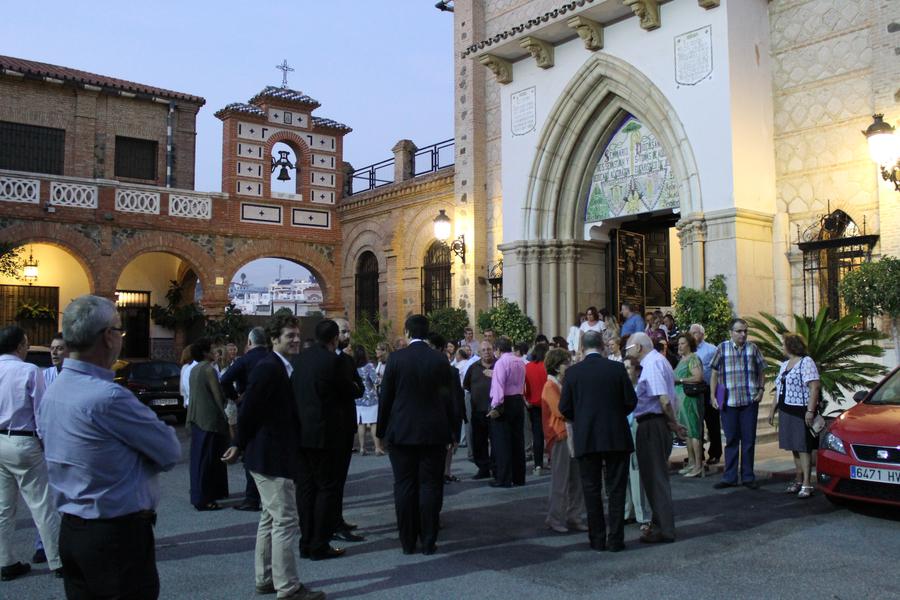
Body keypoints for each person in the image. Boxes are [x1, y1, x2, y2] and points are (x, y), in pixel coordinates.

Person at [38, 296, 180, 598]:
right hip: (115, 536)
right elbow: (169, 451)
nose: (121, 338)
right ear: (107, 337)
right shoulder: (109, 397)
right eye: (120, 331)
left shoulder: (54, 390)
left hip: (74, 530)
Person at [222, 314, 325, 600]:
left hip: (270, 453)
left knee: (270, 518)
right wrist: (238, 443)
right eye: (288, 336)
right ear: (274, 339)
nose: (295, 340)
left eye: (296, 335)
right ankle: (288, 588)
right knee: (285, 520)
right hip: (270, 455)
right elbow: (249, 409)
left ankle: (266, 578)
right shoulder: (269, 368)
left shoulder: (278, 365)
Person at [376, 314, 455, 555]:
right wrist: (452, 431)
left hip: (401, 431)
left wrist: (381, 431)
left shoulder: (396, 359)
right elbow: (448, 398)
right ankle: (429, 541)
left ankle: (407, 541)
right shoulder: (440, 360)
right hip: (434, 431)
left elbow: (386, 397)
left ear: (408, 332)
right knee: (431, 485)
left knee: (404, 485)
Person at [559, 331, 636, 552]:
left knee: (591, 489)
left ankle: (597, 539)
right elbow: (630, 400)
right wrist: (614, 414)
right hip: (615, 435)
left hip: (587, 436)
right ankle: (616, 539)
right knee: (616, 489)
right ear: (602, 346)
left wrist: (582, 418)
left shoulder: (573, 373)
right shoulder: (616, 368)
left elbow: (564, 408)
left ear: (582, 347)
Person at [0, 325, 61, 581]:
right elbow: (41, 414)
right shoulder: (29, 371)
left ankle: (5, 561)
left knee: (3, 508)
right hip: (24, 442)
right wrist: (47, 444)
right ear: (20, 346)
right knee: (42, 505)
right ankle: (57, 561)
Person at [292, 320, 355, 561]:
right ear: (334, 338)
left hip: (302, 434)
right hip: (326, 434)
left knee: (306, 489)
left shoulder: (301, 359)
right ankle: (319, 543)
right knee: (326, 488)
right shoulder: (335, 361)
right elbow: (348, 391)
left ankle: (306, 540)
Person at [626, 332, 686, 544]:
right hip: (656, 423)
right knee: (653, 478)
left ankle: (664, 528)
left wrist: (673, 423)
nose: (628, 352)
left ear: (639, 347)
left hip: (652, 423)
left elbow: (664, 400)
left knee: (656, 478)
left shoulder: (651, 364)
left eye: (629, 348)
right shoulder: (659, 362)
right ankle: (659, 524)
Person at [710, 318, 767, 490]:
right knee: (731, 440)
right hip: (728, 402)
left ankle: (748, 477)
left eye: (745, 331)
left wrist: (761, 390)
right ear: (731, 332)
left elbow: (762, 369)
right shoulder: (722, 348)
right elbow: (714, 373)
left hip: (749, 401)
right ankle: (730, 477)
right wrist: (714, 397)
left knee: (749, 441)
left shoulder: (753, 349)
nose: (743, 334)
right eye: (739, 331)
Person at [220, 326, 269, 511]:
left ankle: (251, 497)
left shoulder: (245, 360)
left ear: (249, 342)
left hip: (247, 408)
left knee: (250, 451)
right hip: (270, 409)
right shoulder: (272, 358)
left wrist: (235, 396)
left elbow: (224, 380)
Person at [767, 333, 821, 498]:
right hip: (786, 410)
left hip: (800, 410)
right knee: (793, 447)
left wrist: (810, 411)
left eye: (783, 344)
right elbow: (779, 389)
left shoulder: (806, 362)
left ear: (791, 345)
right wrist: (772, 410)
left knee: (803, 447)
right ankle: (798, 479)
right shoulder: (784, 365)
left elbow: (814, 387)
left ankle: (807, 483)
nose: (782, 347)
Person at [541, 348, 587, 534]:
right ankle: (555, 518)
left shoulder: (563, 384)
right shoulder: (550, 386)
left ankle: (574, 516)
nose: (569, 365)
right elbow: (562, 411)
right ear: (556, 366)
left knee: (577, 480)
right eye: (565, 362)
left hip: (572, 435)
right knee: (560, 481)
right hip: (560, 436)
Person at [330, 317, 364, 544]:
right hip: (330, 428)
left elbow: (359, 388)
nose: (348, 336)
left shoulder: (347, 360)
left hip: (344, 427)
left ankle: (337, 519)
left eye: (348, 331)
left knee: (340, 479)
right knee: (330, 481)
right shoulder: (325, 361)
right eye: (343, 331)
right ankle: (331, 524)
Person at [187, 337, 229, 511]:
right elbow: (218, 396)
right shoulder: (209, 370)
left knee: (198, 460)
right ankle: (205, 498)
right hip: (209, 420)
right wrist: (225, 412)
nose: (215, 352)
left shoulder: (194, 369)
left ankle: (199, 494)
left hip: (196, 418)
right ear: (205, 352)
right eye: (212, 349)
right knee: (208, 461)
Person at [488, 336, 527, 488]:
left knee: (502, 442)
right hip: (518, 399)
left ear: (498, 349)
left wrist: (495, 406)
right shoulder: (520, 361)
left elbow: (498, 386)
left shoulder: (501, 362)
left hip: (505, 401)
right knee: (518, 440)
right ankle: (519, 476)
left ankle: (503, 478)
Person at [623, 357, 651, 535]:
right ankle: (627, 511)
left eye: (628, 368)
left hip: (636, 430)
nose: (626, 372)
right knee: (625, 474)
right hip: (623, 432)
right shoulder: (622, 389)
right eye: (623, 368)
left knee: (636, 473)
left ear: (637, 370)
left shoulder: (642, 388)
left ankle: (644, 516)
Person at [673, 334, 705, 478]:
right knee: (687, 433)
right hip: (682, 401)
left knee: (694, 433)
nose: (679, 346)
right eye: (679, 343)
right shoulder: (683, 359)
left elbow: (698, 377)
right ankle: (691, 462)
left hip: (691, 401)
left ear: (689, 344)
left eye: (682, 343)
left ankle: (699, 466)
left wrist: (679, 380)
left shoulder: (693, 358)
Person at [690, 323, 721, 465]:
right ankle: (698, 454)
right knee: (697, 424)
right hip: (692, 391)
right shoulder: (688, 350)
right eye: (691, 332)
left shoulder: (711, 349)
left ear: (702, 334)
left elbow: (718, 373)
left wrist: (718, 396)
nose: (692, 335)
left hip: (709, 390)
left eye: (695, 332)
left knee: (712, 423)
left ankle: (715, 453)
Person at [463, 341, 495, 480]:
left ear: (493, 350)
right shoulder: (473, 367)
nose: (487, 352)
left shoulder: (499, 365)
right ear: (479, 352)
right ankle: (483, 468)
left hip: (495, 411)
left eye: (489, 349)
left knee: (496, 441)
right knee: (479, 441)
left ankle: (496, 467)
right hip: (478, 410)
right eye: (484, 350)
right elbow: (467, 385)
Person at [524, 343, 549, 475]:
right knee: (551, 433)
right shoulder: (547, 367)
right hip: (548, 404)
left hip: (533, 405)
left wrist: (526, 399)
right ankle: (551, 460)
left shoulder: (527, 367)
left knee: (537, 435)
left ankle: (538, 465)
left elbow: (523, 386)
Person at [354, 346, 381, 456]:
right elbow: (376, 380)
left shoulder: (353, 367)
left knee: (361, 424)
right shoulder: (369, 366)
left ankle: (362, 448)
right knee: (374, 423)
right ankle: (377, 448)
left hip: (359, 399)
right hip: (371, 398)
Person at [179, 344, 196, 409]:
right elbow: (183, 387)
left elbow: (182, 388)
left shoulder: (185, 367)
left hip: (188, 401)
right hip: (192, 401)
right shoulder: (188, 367)